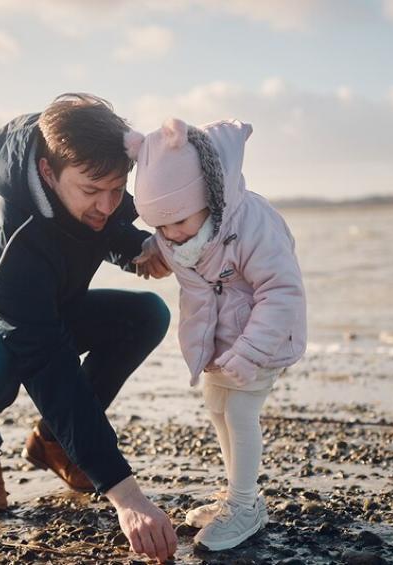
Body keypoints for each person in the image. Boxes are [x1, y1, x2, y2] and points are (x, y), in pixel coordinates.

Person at [0, 93, 177, 561]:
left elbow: (104, 224)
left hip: (28, 311)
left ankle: (53, 443)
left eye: (117, 188)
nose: (107, 204)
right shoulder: (10, 231)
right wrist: (127, 496)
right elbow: (48, 363)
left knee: (145, 314)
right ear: (47, 172)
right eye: (91, 190)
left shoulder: (88, 176)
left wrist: (138, 248)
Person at [130, 117, 307, 551]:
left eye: (178, 223)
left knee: (242, 412)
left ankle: (245, 506)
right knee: (216, 406)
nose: (171, 235)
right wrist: (154, 247)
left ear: (209, 195)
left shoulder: (251, 224)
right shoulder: (179, 230)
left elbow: (281, 291)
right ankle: (236, 495)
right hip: (221, 344)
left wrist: (249, 350)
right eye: (161, 227)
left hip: (261, 340)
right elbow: (188, 262)